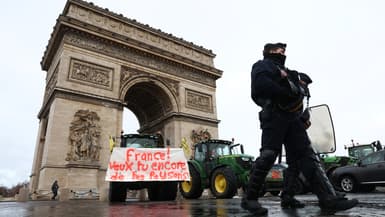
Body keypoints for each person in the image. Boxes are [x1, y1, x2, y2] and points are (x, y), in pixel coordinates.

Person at [241, 43, 358, 215]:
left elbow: (298, 91)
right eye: (278, 50)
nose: (282, 52)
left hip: (292, 118)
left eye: (283, 50)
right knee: (268, 155)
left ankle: (328, 199)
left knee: (306, 156)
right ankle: (250, 199)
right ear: (269, 52)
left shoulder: (289, 71)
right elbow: (260, 86)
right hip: (273, 115)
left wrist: (297, 93)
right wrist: (285, 90)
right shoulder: (262, 65)